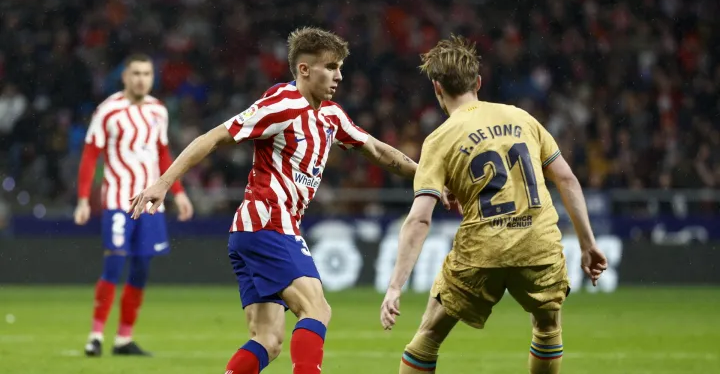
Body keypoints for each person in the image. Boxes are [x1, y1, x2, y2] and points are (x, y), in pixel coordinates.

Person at [128, 27, 451, 374]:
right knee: (317, 310)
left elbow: (377, 150)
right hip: (267, 223)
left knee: (268, 340)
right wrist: (164, 182)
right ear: (304, 70)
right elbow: (214, 137)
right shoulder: (281, 105)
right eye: (330, 67)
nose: (339, 76)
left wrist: (427, 176)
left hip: (256, 231)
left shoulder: (331, 116)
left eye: (340, 67)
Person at [379, 35, 608, 374]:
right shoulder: (521, 118)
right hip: (537, 242)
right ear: (479, 82)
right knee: (547, 328)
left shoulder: (439, 139)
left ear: (437, 88)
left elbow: (419, 220)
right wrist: (588, 245)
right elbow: (567, 179)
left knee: (427, 337)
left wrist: (395, 285)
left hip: (482, 250)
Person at [74, 53, 194, 357]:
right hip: (118, 201)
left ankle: (123, 339)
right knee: (114, 263)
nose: (141, 79)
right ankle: (96, 335)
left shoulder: (158, 111)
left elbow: (164, 155)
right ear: (125, 77)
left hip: (152, 204)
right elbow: (90, 155)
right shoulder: (108, 111)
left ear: (152, 78)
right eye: (136, 73)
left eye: (147, 74)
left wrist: (178, 192)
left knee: (141, 268)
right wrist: (83, 199)